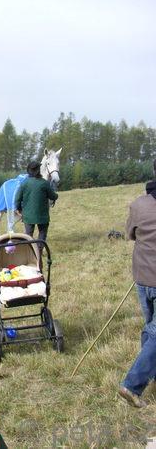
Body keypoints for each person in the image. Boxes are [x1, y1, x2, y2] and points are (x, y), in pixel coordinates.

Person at [118, 159, 156, 408]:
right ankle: (132, 386)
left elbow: (130, 234)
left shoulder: (138, 204)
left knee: (151, 329)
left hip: (142, 276)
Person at [15, 160, 58, 243]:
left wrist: (19, 209)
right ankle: (39, 249)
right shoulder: (44, 183)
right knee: (42, 234)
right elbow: (53, 196)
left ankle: (29, 250)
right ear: (39, 170)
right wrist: (56, 194)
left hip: (28, 216)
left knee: (28, 236)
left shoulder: (24, 183)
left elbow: (17, 199)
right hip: (42, 216)